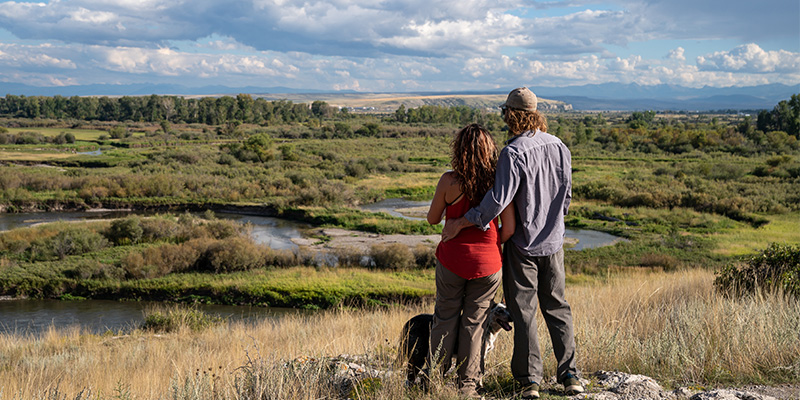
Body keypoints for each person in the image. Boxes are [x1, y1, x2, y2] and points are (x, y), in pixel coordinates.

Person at [441, 87, 584, 399]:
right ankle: (570, 374)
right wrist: (555, 228)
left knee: (524, 312)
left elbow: (498, 199)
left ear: (513, 115)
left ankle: (529, 380)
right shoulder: (560, 146)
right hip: (554, 243)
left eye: (504, 111)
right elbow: (566, 196)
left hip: (522, 244)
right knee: (558, 306)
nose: (503, 117)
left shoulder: (513, 152)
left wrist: (461, 223)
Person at [426, 123, 516, 398]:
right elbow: (509, 229)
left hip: (451, 260)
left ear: (459, 150)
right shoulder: (499, 186)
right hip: (487, 265)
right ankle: (468, 387)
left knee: (445, 318)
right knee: (475, 324)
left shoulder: (448, 181)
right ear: (490, 151)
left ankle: (435, 382)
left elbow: (432, 218)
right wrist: (487, 243)